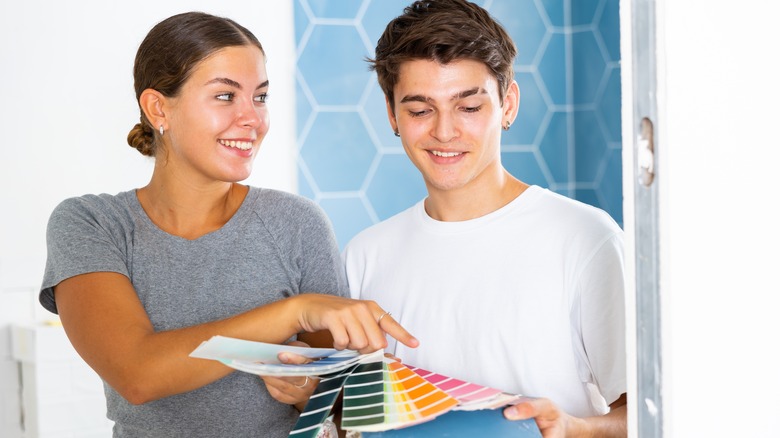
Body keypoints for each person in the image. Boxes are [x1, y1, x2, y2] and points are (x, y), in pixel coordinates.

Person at [39, 11, 416, 438]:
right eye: (225, 96)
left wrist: (306, 389)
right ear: (158, 107)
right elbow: (137, 374)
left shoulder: (296, 224)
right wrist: (295, 310)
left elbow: (342, 401)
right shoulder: (93, 225)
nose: (252, 119)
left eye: (260, 97)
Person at [342, 1, 627, 436]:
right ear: (391, 114)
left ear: (507, 104)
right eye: (420, 110)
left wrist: (573, 429)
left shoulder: (586, 239)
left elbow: (650, 416)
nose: (444, 131)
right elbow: (353, 414)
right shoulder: (365, 254)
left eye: (469, 107)